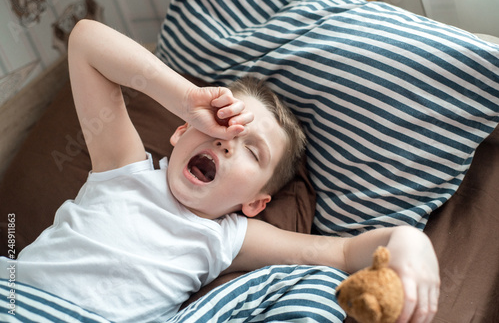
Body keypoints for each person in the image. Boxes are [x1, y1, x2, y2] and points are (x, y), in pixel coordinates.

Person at [0, 20, 439, 323]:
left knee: (316, 285)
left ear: (256, 202)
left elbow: (341, 256)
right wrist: (188, 99)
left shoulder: (228, 235)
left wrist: (408, 240)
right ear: (179, 132)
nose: (227, 140)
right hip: (19, 296)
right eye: (225, 122)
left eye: (253, 151)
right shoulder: (123, 169)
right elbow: (85, 41)